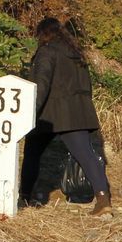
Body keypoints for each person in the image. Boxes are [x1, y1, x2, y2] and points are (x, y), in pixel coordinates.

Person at [19, 17, 113, 215]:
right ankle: (103, 200)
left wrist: (30, 113)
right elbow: (86, 87)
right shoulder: (76, 54)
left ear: (43, 33)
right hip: (77, 112)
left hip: (51, 113)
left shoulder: (47, 51)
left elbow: (41, 84)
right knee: (87, 156)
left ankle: (24, 197)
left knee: (32, 154)